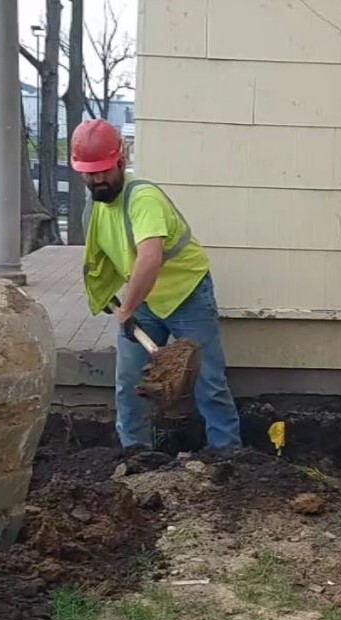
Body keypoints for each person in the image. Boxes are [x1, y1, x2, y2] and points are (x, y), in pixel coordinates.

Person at [70, 118, 242, 451]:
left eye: (103, 171)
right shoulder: (95, 206)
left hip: (185, 293)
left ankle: (228, 457)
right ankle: (136, 455)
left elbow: (150, 257)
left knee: (209, 381)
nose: (97, 179)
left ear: (120, 159)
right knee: (130, 383)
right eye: (90, 173)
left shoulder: (142, 198)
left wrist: (128, 308)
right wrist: (115, 299)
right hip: (143, 299)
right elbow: (104, 256)